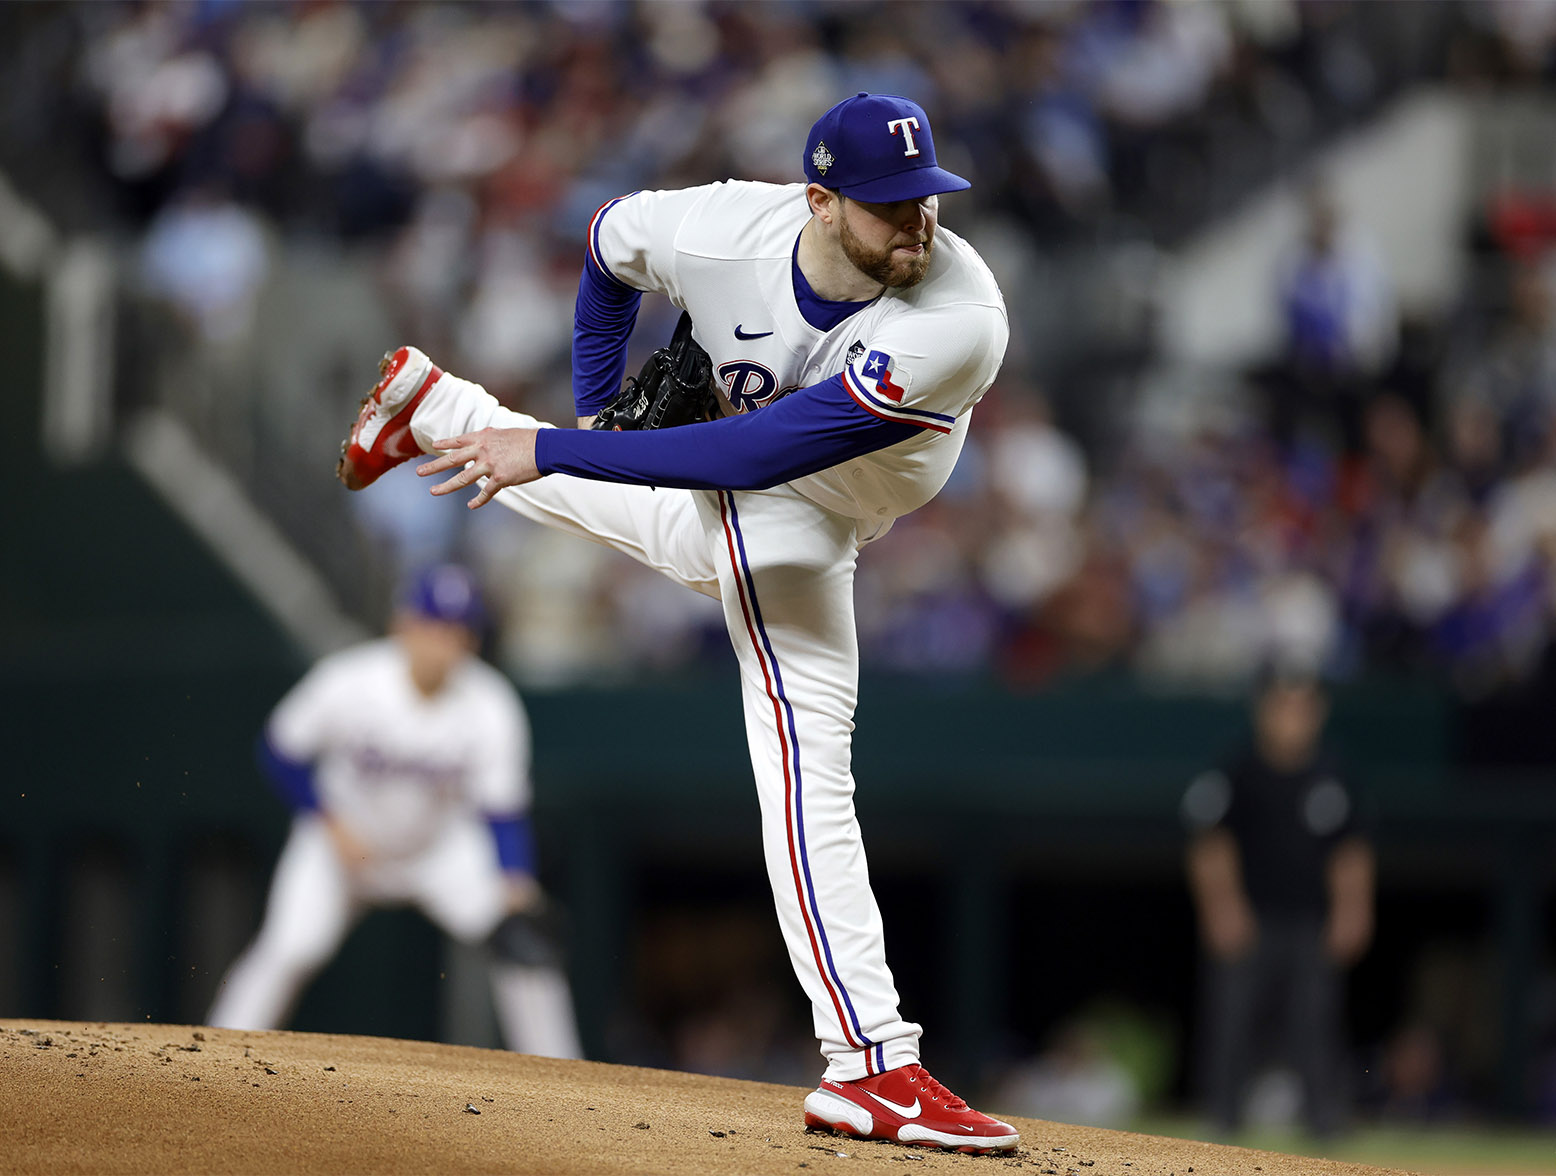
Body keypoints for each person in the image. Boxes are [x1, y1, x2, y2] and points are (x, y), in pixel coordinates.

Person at [336, 93, 1017, 1152]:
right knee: (806, 763)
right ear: (820, 201)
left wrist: (556, 446)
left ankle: (442, 411)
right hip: (788, 522)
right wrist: (598, 410)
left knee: (685, 541)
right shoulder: (720, 227)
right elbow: (608, 246)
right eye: (888, 208)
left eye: (924, 201)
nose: (916, 227)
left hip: (794, 476)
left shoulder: (957, 316)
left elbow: (754, 451)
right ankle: (870, 1062)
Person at [208, 564, 581, 1060]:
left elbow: (503, 811)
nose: (443, 642)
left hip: (438, 850)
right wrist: (327, 819)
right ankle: (213, 1056)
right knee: (292, 947)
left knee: (522, 946)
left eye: (456, 630)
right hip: (343, 843)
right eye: (433, 625)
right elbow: (280, 750)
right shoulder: (349, 680)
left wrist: (515, 883)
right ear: (403, 624)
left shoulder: (490, 702)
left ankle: (566, 1080)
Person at [1181, 668, 1375, 1137]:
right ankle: (1224, 1118)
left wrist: (1353, 911)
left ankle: (1323, 1122)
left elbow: (1351, 850)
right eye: (1283, 706)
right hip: (1252, 919)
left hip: (1310, 919)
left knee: (1315, 1023)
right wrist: (1223, 909)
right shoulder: (1236, 767)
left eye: (1304, 706)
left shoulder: (1333, 771)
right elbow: (1210, 843)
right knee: (1234, 1020)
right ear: (1262, 710)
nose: (1293, 717)